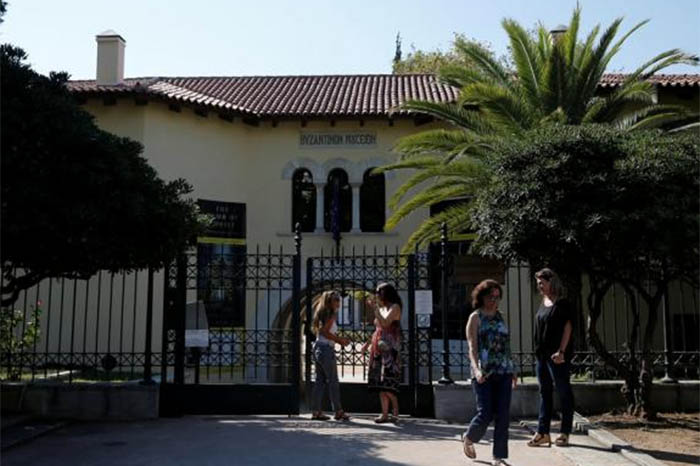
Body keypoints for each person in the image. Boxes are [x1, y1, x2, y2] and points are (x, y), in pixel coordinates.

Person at [462, 279, 517, 466]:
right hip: (484, 373)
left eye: (497, 297)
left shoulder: (500, 317)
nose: (494, 300)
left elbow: (506, 345)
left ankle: (498, 456)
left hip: (504, 371)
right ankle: (469, 437)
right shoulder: (475, 317)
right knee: (485, 413)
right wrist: (476, 370)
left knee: (503, 415)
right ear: (482, 297)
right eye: (490, 297)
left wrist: (513, 369)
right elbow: (472, 347)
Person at [528, 268, 575, 447]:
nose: (539, 286)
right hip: (542, 355)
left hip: (557, 356)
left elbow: (568, 328)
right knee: (544, 393)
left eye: (542, 282)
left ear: (551, 281)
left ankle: (565, 432)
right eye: (538, 283)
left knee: (564, 392)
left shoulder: (562, 303)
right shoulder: (544, 301)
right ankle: (543, 432)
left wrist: (562, 351)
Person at [361, 282, 402, 423]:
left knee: (388, 383)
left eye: (379, 292)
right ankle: (384, 414)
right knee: (380, 384)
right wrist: (367, 344)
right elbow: (378, 328)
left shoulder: (395, 307)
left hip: (390, 349)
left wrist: (375, 308)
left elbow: (385, 323)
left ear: (386, 294)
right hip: (378, 347)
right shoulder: (382, 308)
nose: (377, 295)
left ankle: (395, 410)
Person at [310, 290, 351, 421]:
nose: (339, 301)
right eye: (336, 299)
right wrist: (340, 340)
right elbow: (324, 332)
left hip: (318, 348)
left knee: (320, 381)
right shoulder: (331, 314)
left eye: (339, 299)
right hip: (326, 349)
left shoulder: (322, 313)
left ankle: (316, 411)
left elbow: (322, 332)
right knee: (333, 381)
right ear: (329, 302)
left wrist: (337, 339)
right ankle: (338, 411)